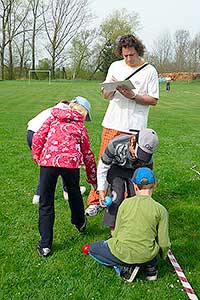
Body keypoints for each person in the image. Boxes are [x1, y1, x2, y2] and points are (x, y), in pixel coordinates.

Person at [85, 34, 159, 216]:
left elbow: (154, 99)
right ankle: (95, 200)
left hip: (135, 126)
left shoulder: (150, 71)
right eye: (125, 55)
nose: (127, 58)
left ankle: (130, 201)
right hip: (112, 123)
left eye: (131, 55)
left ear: (138, 52)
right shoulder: (115, 66)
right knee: (104, 161)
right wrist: (111, 89)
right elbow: (105, 94)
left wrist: (133, 96)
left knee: (131, 166)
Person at [31, 96, 97, 257]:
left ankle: (45, 244)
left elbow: (38, 137)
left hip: (48, 163)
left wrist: (38, 157)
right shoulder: (80, 127)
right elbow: (87, 153)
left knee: (46, 202)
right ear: (82, 113)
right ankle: (80, 222)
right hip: (70, 164)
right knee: (74, 194)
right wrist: (92, 179)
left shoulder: (52, 118)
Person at [83, 167, 170, 282]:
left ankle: (125, 268)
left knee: (92, 249)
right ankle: (151, 268)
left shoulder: (125, 203)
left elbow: (117, 232)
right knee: (151, 249)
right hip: (147, 253)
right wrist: (162, 256)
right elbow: (164, 242)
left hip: (122, 251)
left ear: (134, 186)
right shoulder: (161, 210)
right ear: (154, 185)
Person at [97, 128, 159, 230]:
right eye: (139, 152)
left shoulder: (147, 160)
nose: (139, 157)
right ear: (133, 141)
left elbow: (147, 176)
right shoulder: (115, 144)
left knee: (136, 197)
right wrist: (101, 189)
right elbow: (103, 166)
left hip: (134, 171)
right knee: (117, 195)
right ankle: (113, 229)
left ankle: (133, 225)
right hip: (116, 169)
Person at [27, 100, 86, 204]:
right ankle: (45, 194)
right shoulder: (65, 113)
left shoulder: (57, 109)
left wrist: (37, 156)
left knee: (49, 162)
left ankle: (42, 195)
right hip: (39, 133)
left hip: (30, 132)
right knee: (60, 159)